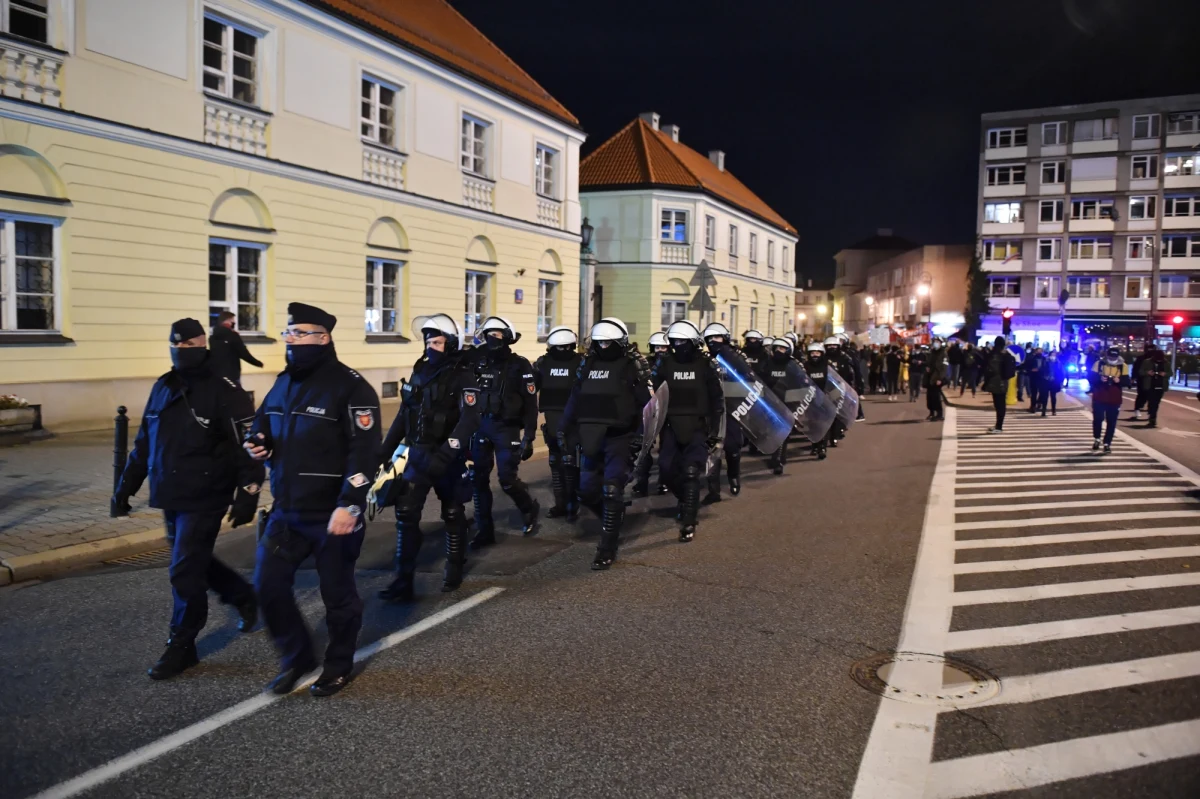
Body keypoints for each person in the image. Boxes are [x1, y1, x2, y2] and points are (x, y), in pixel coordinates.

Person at [112, 318, 263, 680]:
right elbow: (145, 443)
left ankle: (182, 643)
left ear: (202, 344)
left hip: (206, 492)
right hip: (170, 491)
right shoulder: (163, 387)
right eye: (176, 346)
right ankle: (243, 595)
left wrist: (249, 493)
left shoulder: (223, 389)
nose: (181, 351)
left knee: (183, 569)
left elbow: (248, 446)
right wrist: (125, 488)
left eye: (189, 346)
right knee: (193, 561)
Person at [245, 303, 382, 697]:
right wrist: (256, 444)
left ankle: (338, 665)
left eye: (300, 333)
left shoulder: (350, 386)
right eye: (289, 333)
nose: (291, 340)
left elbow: (365, 451)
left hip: (332, 512)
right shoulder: (283, 383)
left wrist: (351, 504)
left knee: (337, 595)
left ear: (324, 338)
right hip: (287, 510)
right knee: (267, 586)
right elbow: (261, 425)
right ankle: (297, 657)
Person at [378, 314, 480, 603]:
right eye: (428, 341)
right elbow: (404, 413)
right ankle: (403, 579)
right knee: (406, 514)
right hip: (418, 454)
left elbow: (470, 420)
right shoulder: (420, 370)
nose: (431, 347)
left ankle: (454, 568)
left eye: (437, 341)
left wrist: (447, 453)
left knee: (451, 512)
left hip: (448, 456)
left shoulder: (464, 374)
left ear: (451, 343)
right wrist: (384, 451)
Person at [559, 318, 652, 570]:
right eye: (599, 342)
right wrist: (563, 432)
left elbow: (647, 406)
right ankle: (612, 516)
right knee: (587, 492)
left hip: (619, 438)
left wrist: (641, 439)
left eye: (608, 342)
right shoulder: (587, 365)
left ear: (619, 342)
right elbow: (575, 399)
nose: (603, 346)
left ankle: (607, 547)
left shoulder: (631, 366)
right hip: (590, 435)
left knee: (612, 489)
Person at [466, 317, 540, 548]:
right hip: (480, 426)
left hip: (506, 428)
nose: (492, 338)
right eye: (488, 334)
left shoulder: (520, 364)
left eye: (497, 334)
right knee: (478, 479)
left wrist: (529, 435)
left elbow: (530, 403)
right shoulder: (477, 359)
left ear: (507, 337)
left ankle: (528, 508)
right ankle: (484, 529)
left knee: (507, 479)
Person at [652, 321, 724, 540]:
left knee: (692, 471)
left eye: (682, 341)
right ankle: (686, 499)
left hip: (698, 426)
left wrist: (715, 431)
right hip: (671, 426)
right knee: (666, 469)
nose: (677, 345)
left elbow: (716, 400)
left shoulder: (706, 365)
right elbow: (655, 394)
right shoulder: (665, 364)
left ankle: (689, 521)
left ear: (693, 343)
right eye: (674, 342)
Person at [534, 326, 583, 519]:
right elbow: (530, 388)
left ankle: (572, 503)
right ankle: (561, 504)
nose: (562, 351)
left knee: (569, 462)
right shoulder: (543, 364)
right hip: (553, 418)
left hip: (573, 420)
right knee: (557, 462)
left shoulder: (581, 363)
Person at [701, 322, 749, 502]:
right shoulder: (703, 359)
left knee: (732, 446)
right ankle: (713, 491)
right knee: (711, 451)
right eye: (710, 338)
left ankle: (734, 477)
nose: (713, 341)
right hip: (710, 411)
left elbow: (748, 379)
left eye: (717, 337)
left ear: (725, 339)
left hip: (731, 409)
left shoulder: (736, 357)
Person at [632, 331, 671, 498]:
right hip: (649, 409)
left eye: (663, 346)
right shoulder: (645, 364)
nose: (660, 349)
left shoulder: (672, 364)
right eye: (657, 346)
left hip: (669, 410)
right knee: (644, 448)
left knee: (666, 450)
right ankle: (642, 484)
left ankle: (663, 481)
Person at [764, 337, 799, 471]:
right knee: (773, 430)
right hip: (771, 402)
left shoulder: (793, 365)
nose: (779, 351)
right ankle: (777, 455)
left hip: (787, 402)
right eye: (777, 348)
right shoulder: (767, 363)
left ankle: (778, 458)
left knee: (784, 431)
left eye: (783, 348)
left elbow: (800, 384)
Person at [208, 311, 264, 386]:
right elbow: (243, 353)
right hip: (231, 374)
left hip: (216, 374)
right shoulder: (233, 336)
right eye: (233, 319)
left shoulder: (212, 337)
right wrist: (258, 363)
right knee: (236, 395)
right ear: (228, 320)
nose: (234, 322)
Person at [1089, 346, 1128, 453]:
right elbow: (1090, 377)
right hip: (1099, 396)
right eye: (1110, 357)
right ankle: (1097, 439)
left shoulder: (1123, 366)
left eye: (1114, 357)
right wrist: (1099, 378)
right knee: (1098, 419)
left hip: (1114, 398)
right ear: (1107, 355)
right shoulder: (1099, 364)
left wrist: (1118, 380)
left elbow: (1127, 382)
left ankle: (1107, 443)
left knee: (1111, 422)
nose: (1112, 359)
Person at [983, 336, 1017, 434]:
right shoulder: (1005, 354)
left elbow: (991, 369)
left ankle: (999, 426)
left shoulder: (996, 355)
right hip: (1003, 382)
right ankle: (998, 425)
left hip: (997, 383)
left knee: (999, 405)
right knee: (999, 405)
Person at [803, 341, 831, 459]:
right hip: (810, 398)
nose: (815, 355)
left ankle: (822, 447)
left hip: (824, 398)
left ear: (822, 354)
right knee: (812, 424)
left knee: (823, 423)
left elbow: (834, 381)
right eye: (812, 353)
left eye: (817, 353)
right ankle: (814, 445)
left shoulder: (827, 366)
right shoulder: (805, 366)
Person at [1140, 347, 1169, 429]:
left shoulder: (1166, 363)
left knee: (1156, 402)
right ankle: (1152, 416)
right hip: (1150, 385)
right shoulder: (1147, 362)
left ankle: (1152, 417)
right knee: (1152, 401)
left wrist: (1165, 374)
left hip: (1161, 385)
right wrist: (1147, 372)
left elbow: (1170, 372)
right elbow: (1140, 371)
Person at [925, 340, 946, 422]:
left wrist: (940, 378)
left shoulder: (943, 354)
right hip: (930, 377)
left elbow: (944, 367)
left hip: (937, 378)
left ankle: (939, 414)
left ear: (940, 344)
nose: (935, 344)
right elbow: (928, 363)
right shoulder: (932, 352)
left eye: (937, 342)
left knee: (936, 397)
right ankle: (931, 412)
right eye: (934, 342)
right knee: (929, 396)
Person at [1131, 344, 1154, 421]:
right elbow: (1136, 369)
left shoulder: (1156, 360)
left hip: (1152, 381)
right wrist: (1133, 377)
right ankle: (1138, 408)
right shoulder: (1141, 359)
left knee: (1150, 397)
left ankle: (1149, 412)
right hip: (1141, 379)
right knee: (1141, 395)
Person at [1041, 350, 1064, 416]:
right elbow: (1042, 370)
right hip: (1046, 381)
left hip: (1054, 381)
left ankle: (1053, 410)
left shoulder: (1058, 363)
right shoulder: (1045, 361)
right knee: (1045, 397)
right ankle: (1044, 411)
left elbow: (1061, 372)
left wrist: (1061, 381)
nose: (1053, 356)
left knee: (1053, 396)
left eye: (1054, 355)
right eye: (1052, 355)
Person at [1023, 346, 1047, 413]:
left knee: (1042, 392)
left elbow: (1046, 368)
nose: (1039, 352)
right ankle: (1033, 406)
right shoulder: (1032, 359)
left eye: (1040, 351)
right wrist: (1031, 370)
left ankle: (1039, 403)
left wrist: (1041, 371)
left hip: (1042, 378)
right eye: (1038, 351)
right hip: (1033, 378)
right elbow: (1027, 367)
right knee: (1034, 393)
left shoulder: (1044, 359)